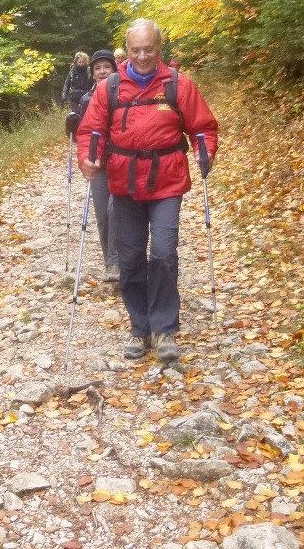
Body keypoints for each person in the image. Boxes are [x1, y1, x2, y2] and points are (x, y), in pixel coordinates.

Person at [76, 19, 218, 363]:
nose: (142, 56)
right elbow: (90, 131)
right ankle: (140, 328)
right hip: (123, 182)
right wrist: (87, 159)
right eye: (136, 49)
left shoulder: (178, 85)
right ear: (128, 49)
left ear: (159, 49)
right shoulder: (109, 87)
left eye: (149, 49)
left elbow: (203, 127)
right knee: (129, 257)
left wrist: (205, 152)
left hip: (167, 179)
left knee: (165, 252)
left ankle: (164, 328)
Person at [77, 49, 120, 282]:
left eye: (107, 67)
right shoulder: (86, 99)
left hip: (121, 161)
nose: (103, 71)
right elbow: (84, 134)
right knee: (103, 216)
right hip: (99, 165)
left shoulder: (122, 93)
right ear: (92, 73)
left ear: (114, 70)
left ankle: (117, 262)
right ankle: (110, 263)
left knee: (116, 212)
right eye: (98, 68)